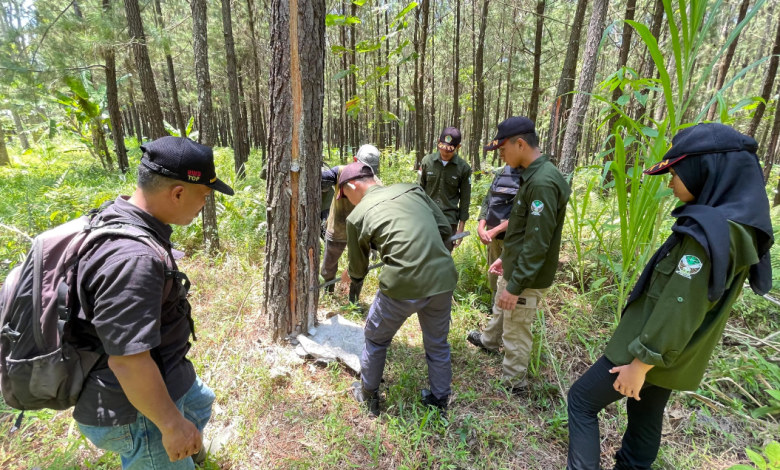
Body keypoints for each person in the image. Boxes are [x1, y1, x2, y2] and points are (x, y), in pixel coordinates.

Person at [566, 123, 774, 470]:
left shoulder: (711, 233)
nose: (669, 181)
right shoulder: (739, 225)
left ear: (703, 169)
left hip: (648, 347)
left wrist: (641, 362)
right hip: (674, 353)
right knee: (645, 413)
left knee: (582, 401)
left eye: (675, 172)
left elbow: (682, 304)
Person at [72, 137, 234, 469]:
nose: (206, 203)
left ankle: (193, 447)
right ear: (177, 193)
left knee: (201, 403)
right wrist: (171, 426)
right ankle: (177, 446)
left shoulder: (124, 216)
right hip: (137, 410)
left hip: (165, 370)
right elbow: (129, 362)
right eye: (205, 196)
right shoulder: (133, 259)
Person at [337, 162, 458, 416]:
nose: (347, 201)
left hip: (401, 284)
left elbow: (358, 271)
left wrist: (350, 275)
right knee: (437, 343)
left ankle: (368, 396)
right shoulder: (412, 189)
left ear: (351, 186)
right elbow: (445, 229)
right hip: (443, 278)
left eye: (345, 196)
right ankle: (439, 400)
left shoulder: (357, 217)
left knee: (375, 338)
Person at [466, 117, 571, 394]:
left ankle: (514, 383)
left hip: (528, 276)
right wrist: (507, 257)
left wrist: (517, 284)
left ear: (520, 143)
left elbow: (538, 244)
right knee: (503, 306)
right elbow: (525, 230)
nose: (502, 156)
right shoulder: (533, 175)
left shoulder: (543, 183)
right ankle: (488, 341)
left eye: (503, 150)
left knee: (516, 327)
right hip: (517, 264)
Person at [321, 145, 381, 303]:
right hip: (337, 228)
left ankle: (353, 301)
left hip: (361, 234)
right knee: (328, 267)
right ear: (355, 161)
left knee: (359, 269)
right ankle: (328, 294)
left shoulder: (377, 184)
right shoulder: (340, 172)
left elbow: (377, 215)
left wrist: (374, 244)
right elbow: (322, 179)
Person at [419, 127, 472, 251]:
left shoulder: (463, 168)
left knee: (444, 258)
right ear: (438, 142)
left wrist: (461, 227)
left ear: (458, 147)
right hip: (427, 217)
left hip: (449, 221)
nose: (445, 152)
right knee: (424, 255)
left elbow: (465, 198)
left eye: (449, 150)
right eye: (442, 147)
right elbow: (419, 190)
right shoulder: (427, 162)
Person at [477, 163, 523, 298]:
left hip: (513, 237)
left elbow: (521, 213)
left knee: (509, 274)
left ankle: (506, 308)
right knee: (493, 271)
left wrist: (496, 230)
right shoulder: (502, 172)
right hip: (492, 235)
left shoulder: (530, 173)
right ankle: (495, 303)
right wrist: (481, 227)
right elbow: (488, 200)